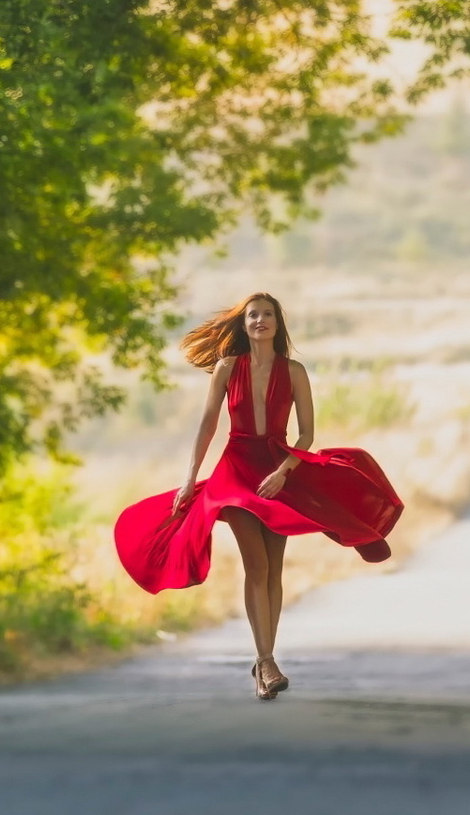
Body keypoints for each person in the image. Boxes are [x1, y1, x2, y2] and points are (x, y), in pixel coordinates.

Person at [114, 292, 404, 700]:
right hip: (235, 473)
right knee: (256, 567)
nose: (260, 321)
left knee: (273, 570)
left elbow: (306, 434)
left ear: (277, 324)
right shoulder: (227, 368)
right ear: (244, 324)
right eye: (253, 315)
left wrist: (284, 473)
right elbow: (207, 427)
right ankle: (266, 661)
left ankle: (264, 662)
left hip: (278, 471)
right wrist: (189, 477)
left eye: (268, 315)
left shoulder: (295, 371)